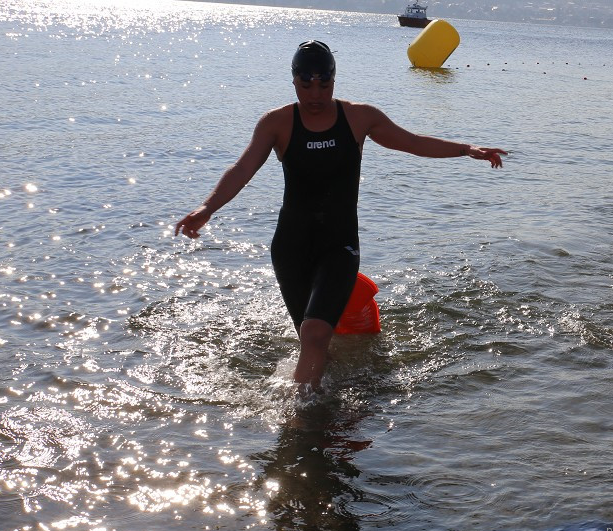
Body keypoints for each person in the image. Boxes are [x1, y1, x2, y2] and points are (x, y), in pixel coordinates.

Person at [175, 40, 507, 394]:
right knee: (312, 339)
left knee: (316, 333)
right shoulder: (277, 123)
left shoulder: (358, 118)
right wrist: (207, 208)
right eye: (306, 86)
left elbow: (411, 142)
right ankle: (325, 398)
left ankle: (300, 418)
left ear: (334, 81)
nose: (315, 94)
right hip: (292, 247)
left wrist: (465, 150)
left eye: (324, 84)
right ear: (294, 81)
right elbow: (242, 169)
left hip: (340, 244)